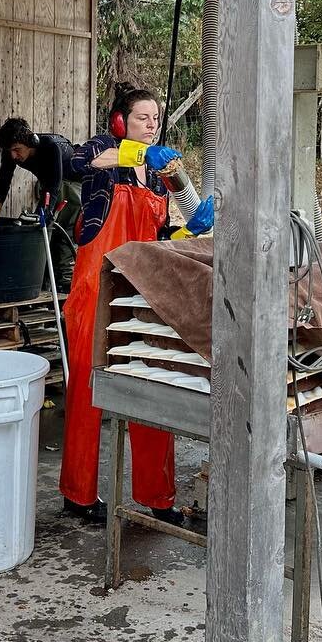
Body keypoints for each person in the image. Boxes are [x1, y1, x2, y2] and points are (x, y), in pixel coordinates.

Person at [58, 82, 215, 525]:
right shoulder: (106, 153)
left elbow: (160, 241)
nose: (152, 126)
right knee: (88, 396)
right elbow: (73, 161)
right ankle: (78, 494)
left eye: (156, 120)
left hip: (140, 290)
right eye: (143, 118)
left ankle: (158, 500)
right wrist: (136, 153)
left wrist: (190, 231)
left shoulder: (161, 180)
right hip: (94, 292)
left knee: (151, 388)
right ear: (121, 122)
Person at [0, 116, 81, 284]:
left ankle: (64, 281)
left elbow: (54, 185)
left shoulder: (51, 147)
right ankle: (42, 278)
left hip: (75, 184)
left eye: (17, 149)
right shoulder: (12, 153)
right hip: (51, 184)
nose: (13, 155)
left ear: (31, 141)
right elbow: (2, 184)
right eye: (10, 151)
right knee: (42, 224)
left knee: (57, 229)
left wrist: (43, 216)